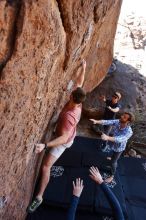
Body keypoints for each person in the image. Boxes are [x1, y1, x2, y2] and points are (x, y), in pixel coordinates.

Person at [27, 60, 87, 213]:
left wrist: (45, 145)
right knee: (47, 161)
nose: (69, 93)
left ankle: (40, 197)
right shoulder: (78, 102)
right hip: (66, 135)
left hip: (64, 141)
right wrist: (83, 67)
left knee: (46, 166)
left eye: (71, 93)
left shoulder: (69, 115)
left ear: (72, 97)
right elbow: (80, 83)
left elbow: (64, 138)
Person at [90, 112, 134, 182]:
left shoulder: (129, 131)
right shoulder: (118, 121)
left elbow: (120, 139)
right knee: (113, 155)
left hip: (119, 148)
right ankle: (113, 158)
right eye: (123, 115)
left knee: (113, 162)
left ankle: (112, 175)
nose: (122, 116)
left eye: (124, 117)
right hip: (113, 144)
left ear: (128, 121)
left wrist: (107, 137)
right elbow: (108, 122)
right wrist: (96, 121)